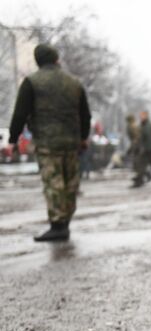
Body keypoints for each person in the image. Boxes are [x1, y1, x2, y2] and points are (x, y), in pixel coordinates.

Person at [7, 44, 91, 242]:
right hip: (71, 142)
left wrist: (13, 139)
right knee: (70, 182)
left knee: (54, 182)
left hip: (47, 142)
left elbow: (20, 113)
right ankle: (66, 221)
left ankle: (57, 225)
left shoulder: (31, 82)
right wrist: (83, 138)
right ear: (56, 59)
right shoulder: (74, 82)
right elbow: (85, 114)